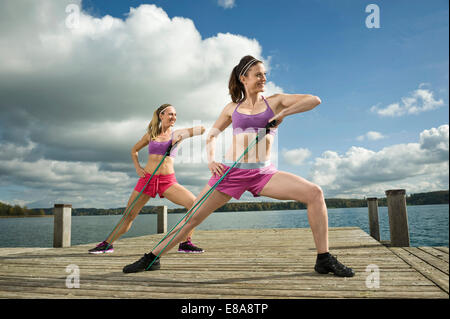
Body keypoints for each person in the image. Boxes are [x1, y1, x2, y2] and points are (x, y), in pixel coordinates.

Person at [122, 56, 354, 277]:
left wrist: (284, 113)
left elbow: (314, 99)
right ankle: (152, 258)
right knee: (192, 217)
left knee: (314, 193)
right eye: (258, 74)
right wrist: (211, 160)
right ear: (244, 78)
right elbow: (211, 134)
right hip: (230, 173)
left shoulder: (275, 101)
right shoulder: (231, 108)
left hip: (263, 173)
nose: (263, 78)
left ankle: (323, 259)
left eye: (265, 74)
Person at [89, 103, 206, 254]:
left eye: (175, 115)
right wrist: (138, 168)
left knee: (195, 205)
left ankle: (185, 243)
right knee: (129, 214)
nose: (174, 117)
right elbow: (134, 150)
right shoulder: (150, 135)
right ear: (161, 115)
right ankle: (107, 244)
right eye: (170, 114)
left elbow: (202, 130)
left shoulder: (176, 134)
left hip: (167, 181)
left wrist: (183, 135)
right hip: (147, 180)